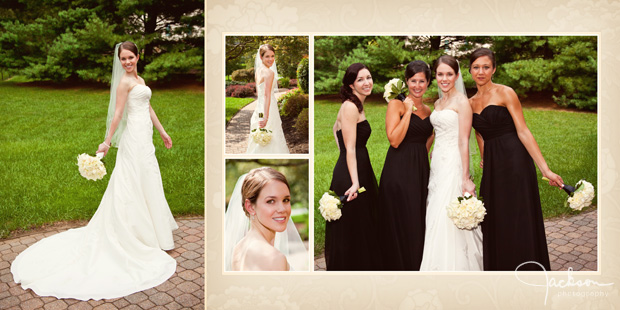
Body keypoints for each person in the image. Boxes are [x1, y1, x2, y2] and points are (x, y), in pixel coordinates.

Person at [11, 42, 178, 300]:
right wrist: (107, 141)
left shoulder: (140, 79)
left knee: (149, 180)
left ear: (137, 56)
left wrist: (162, 131)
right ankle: (132, 235)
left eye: (130, 57)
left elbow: (148, 107)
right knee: (130, 184)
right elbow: (118, 113)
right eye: (123, 59)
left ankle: (153, 235)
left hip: (146, 138)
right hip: (133, 138)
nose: (127, 62)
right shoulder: (124, 83)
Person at [469, 48, 563, 271]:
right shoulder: (470, 102)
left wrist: (545, 169)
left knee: (519, 215)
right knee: (497, 216)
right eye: (476, 67)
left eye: (486, 67)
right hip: (493, 166)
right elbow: (479, 132)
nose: (481, 72)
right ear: (470, 70)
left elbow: (523, 131)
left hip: (515, 160)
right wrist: (484, 156)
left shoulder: (505, 93)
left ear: (494, 69)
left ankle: (529, 269)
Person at [419, 55, 483, 271]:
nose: (444, 78)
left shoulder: (462, 102)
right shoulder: (438, 103)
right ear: (434, 76)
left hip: (453, 164)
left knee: (446, 213)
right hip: (437, 164)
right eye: (440, 74)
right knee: (434, 211)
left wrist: (465, 178)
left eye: (449, 74)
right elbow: (436, 134)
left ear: (456, 76)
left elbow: (464, 140)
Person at [324, 63, 381, 270]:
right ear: (351, 84)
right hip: (351, 172)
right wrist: (355, 182)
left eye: (369, 77)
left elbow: (335, 128)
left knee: (362, 223)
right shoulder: (350, 106)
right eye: (360, 79)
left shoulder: (355, 104)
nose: (367, 83)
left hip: (358, 166)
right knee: (354, 224)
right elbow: (349, 148)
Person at [378, 60, 434, 270]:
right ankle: (398, 266)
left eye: (422, 81)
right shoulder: (396, 104)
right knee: (402, 216)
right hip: (398, 169)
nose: (417, 85)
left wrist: (423, 158)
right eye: (413, 81)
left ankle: (416, 263)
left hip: (419, 169)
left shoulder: (429, 110)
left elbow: (428, 139)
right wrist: (408, 111)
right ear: (406, 81)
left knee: (417, 217)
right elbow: (394, 139)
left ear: (428, 82)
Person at [224, 167, 308, 271]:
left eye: (286, 200)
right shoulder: (273, 258)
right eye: (271, 201)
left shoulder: (240, 247)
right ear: (250, 207)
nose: (282, 209)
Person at [246, 44, 289, 154]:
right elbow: (266, 95)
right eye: (267, 56)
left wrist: (261, 115)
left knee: (261, 133)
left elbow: (259, 94)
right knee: (272, 133)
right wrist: (265, 117)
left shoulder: (258, 70)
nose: (271, 59)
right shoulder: (269, 72)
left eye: (272, 56)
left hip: (259, 108)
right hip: (268, 108)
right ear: (261, 57)